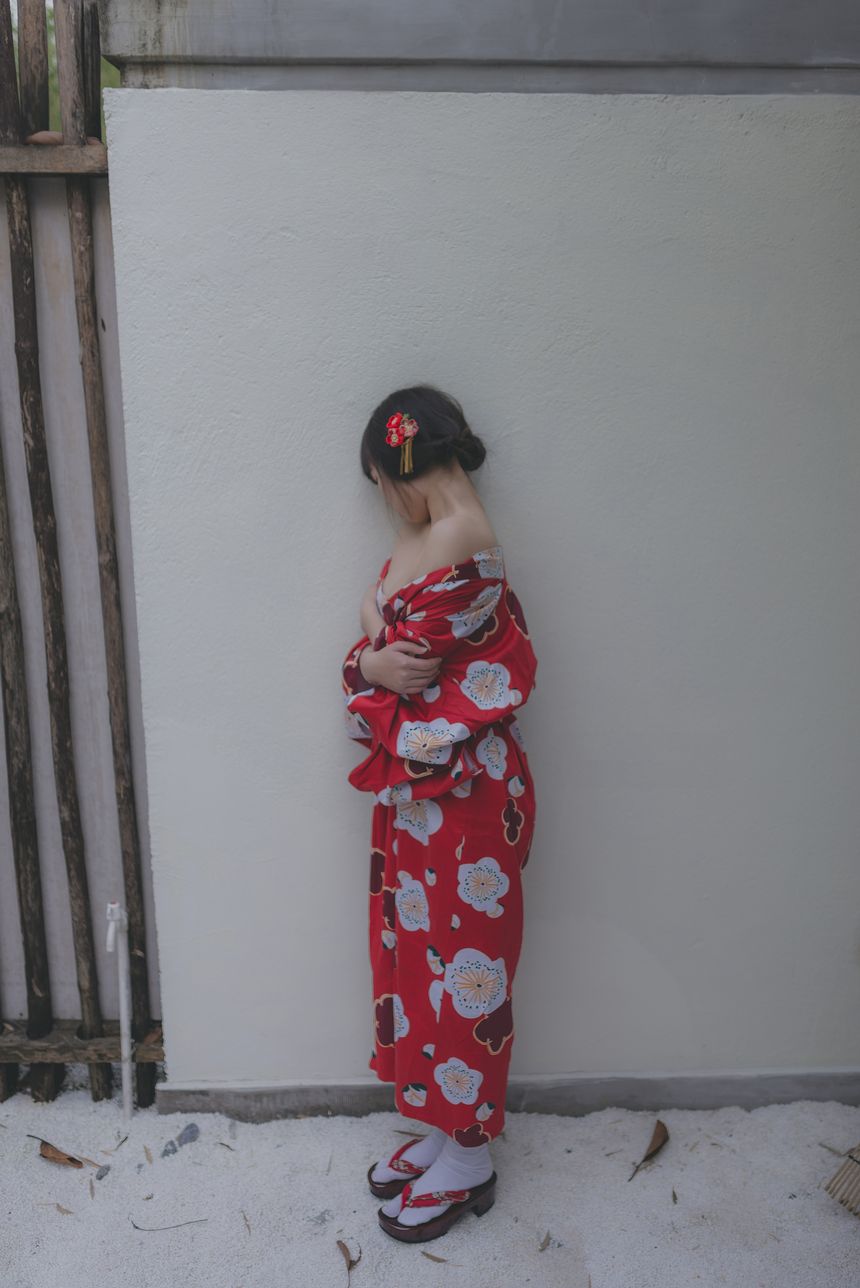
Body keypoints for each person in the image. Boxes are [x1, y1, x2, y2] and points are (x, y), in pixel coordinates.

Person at [340, 384, 538, 1243]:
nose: (386, 502)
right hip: (424, 793)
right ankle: (443, 1126)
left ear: (401, 464)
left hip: (463, 793)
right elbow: (383, 652)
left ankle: (470, 1157)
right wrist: (372, 657)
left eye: (382, 483)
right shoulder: (426, 534)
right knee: (422, 957)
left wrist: (368, 654)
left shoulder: (457, 535)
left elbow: (401, 669)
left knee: (465, 967)